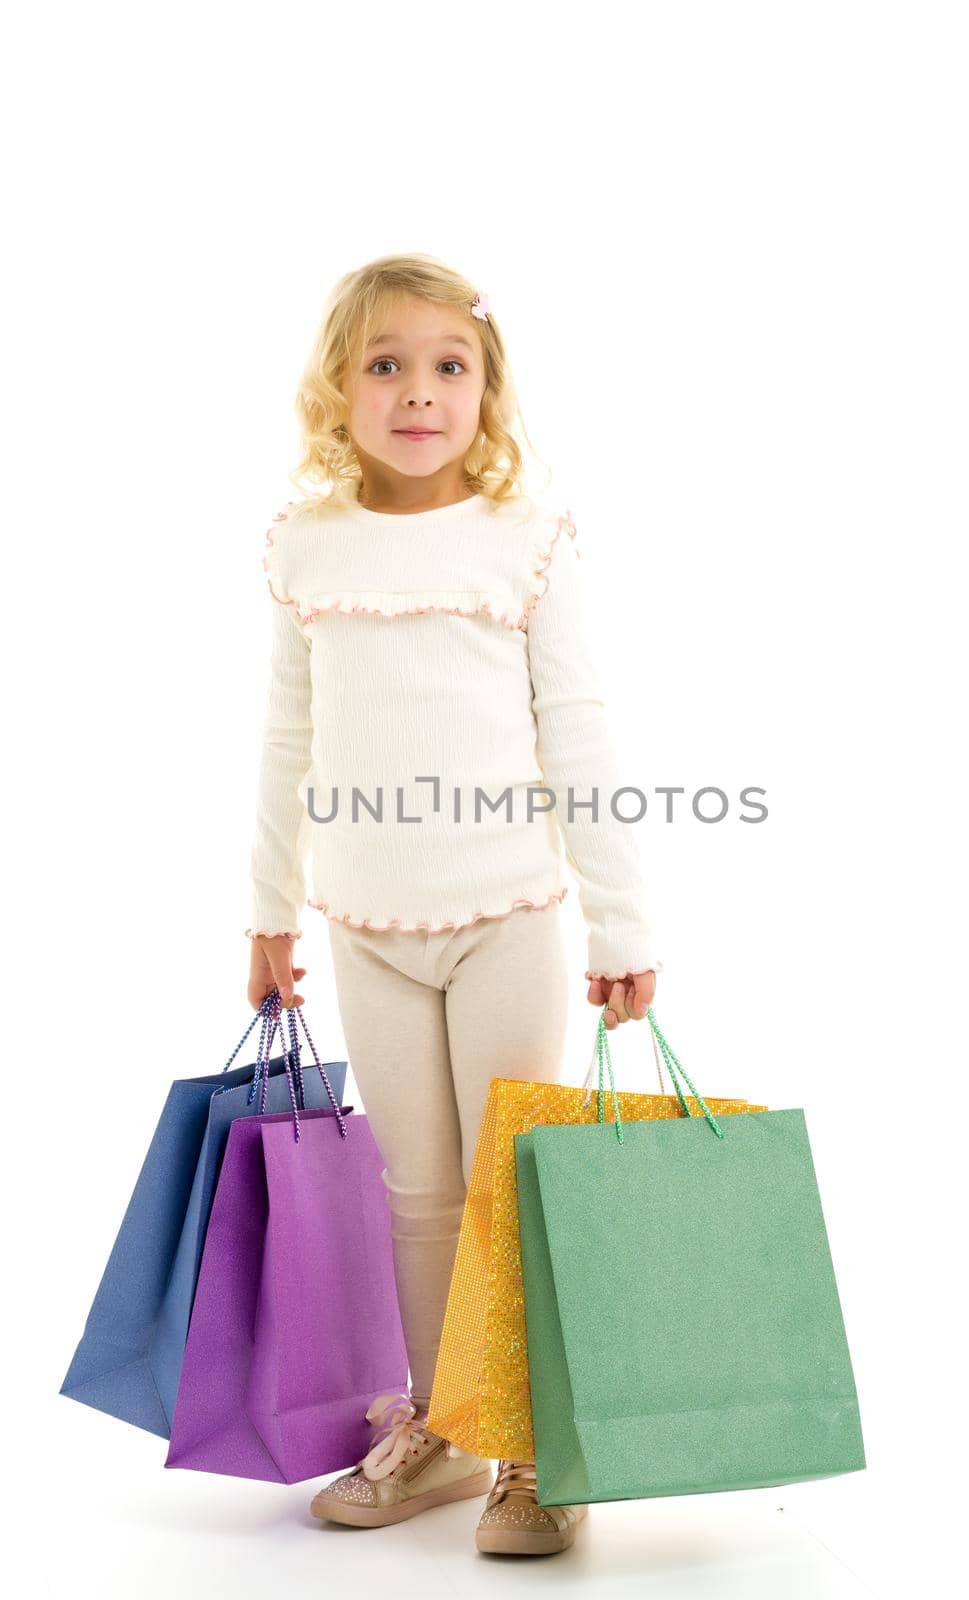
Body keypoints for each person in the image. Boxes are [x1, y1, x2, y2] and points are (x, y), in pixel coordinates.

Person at [244, 254, 662, 1557]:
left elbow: (577, 731)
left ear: (486, 389)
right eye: (385, 364)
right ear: (337, 389)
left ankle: (536, 1450)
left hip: (509, 918)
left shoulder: (523, 539)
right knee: (415, 1195)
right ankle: (439, 1421)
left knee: (508, 1186)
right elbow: (286, 736)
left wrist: (621, 923)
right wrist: (271, 915)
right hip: (366, 927)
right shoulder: (307, 545)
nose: (418, 391)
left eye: (448, 365)